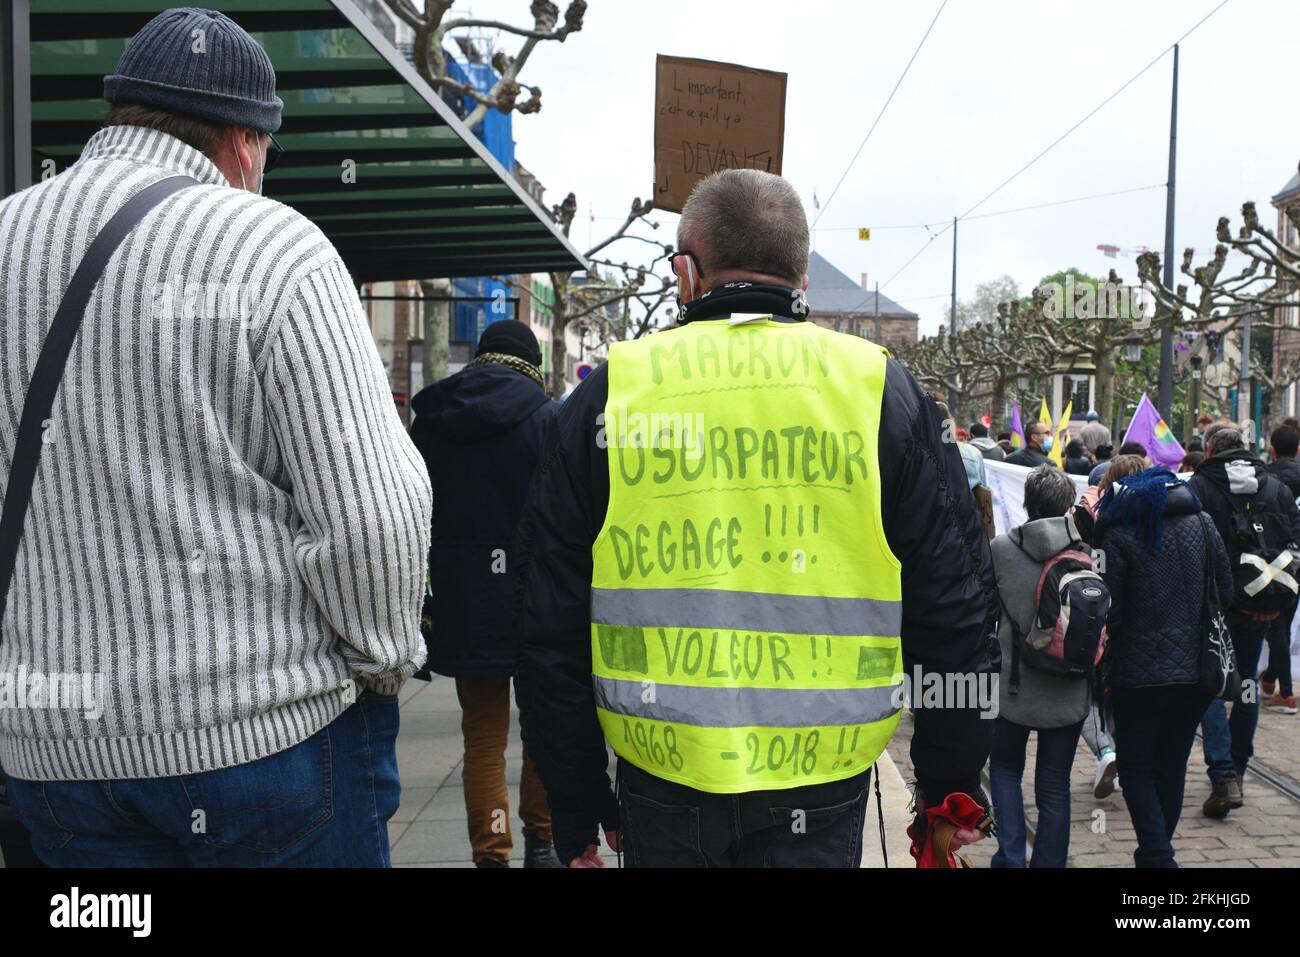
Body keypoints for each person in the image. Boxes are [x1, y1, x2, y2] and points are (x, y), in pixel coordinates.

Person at [0, 8, 433, 866]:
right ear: (245, 141)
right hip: (260, 745)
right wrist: (382, 661)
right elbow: (376, 516)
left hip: (50, 757)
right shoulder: (274, 248)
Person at [514, 169, 999, 868]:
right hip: (821, 776)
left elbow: (546, 619)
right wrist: (949, 786)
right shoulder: (880, 392)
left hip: (663, 773)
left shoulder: (612, 395)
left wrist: (576, 795)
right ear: (802, 275)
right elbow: (955, 608)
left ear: (686, 273)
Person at [408, 321, 562, 868]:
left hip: (466, 602)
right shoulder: (549, 420)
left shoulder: (432, 420)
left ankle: (491, 853)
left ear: (479, 356)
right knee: (543, 730)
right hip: (536, 602)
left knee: (483, 740)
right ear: (533, 362)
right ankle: (542, 843)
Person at [1097, 467, 1232, 867]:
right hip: (1196, 671)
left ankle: (1157, 855)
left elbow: (1111, 611)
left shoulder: (1117, 534)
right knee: (1172, 763)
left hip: (1136, 676)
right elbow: (1224, 590)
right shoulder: (1204, 524)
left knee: (1136, 765)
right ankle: (1156, 853)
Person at [1189, 423, 1300, 817]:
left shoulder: (1198, 488)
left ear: (1208, 448)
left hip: (1216, 604)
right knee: (1248, 681)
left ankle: (1222, 773)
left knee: (1215, 686)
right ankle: (1239, 763)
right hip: (1259, 604)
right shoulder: (1276, 488)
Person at [988, 466, 1090, 867]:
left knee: (1006, 770)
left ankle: (1011, 856)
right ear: (1068, 506)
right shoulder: (1085, 552)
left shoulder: (999, 549)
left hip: (1013, 689)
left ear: (1026, 504)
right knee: (1053, 784)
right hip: (1068, 688)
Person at [1262, 424, 1300, 714]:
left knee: (1276, 626)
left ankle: (1285, 693)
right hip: (1298, 559)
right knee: (1284, 623)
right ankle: (1271, 678)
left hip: (1274, 560)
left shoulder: (1266, 478)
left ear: (1272, 449)